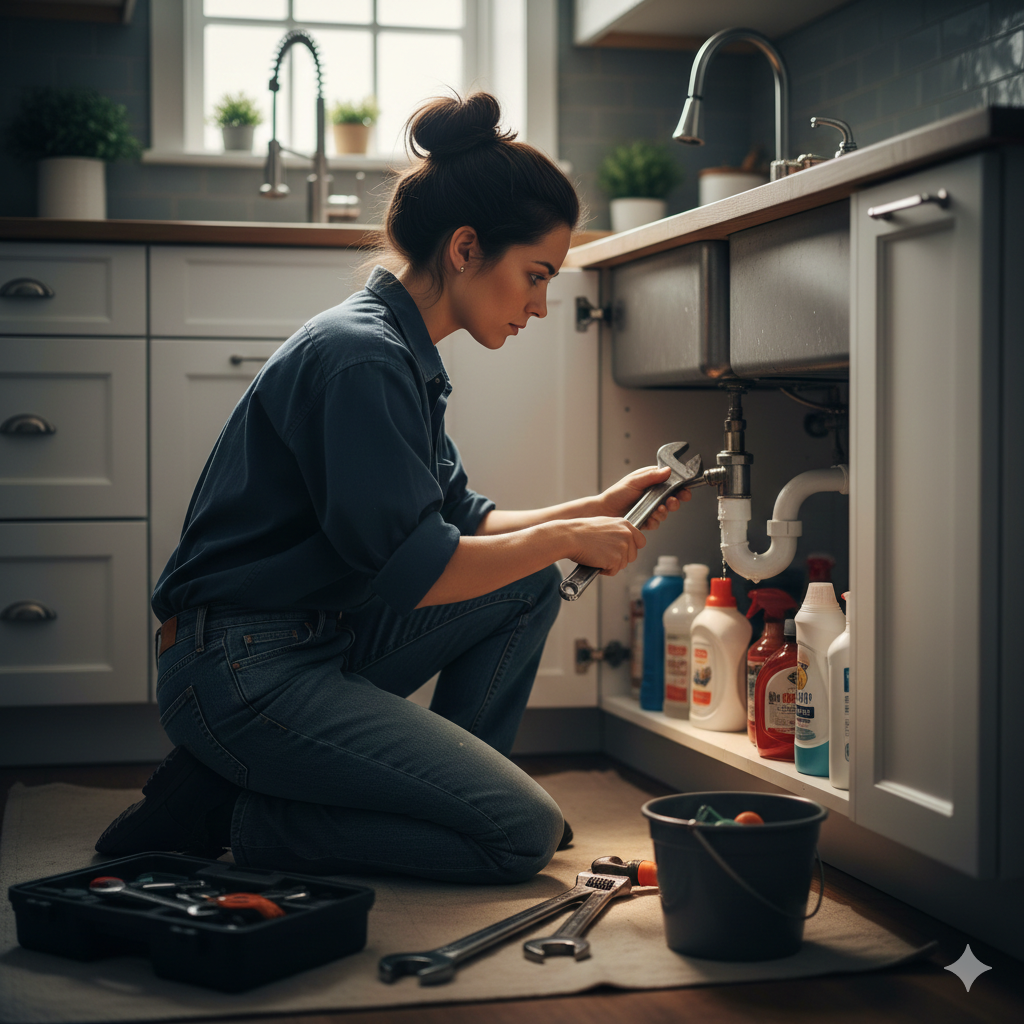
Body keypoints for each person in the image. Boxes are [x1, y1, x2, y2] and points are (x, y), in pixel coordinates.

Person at [96, 93, 685, 884]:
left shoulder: (396, 348)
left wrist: (596, 507)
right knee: (517, 838)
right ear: (467, 248)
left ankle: (452, 795)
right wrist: (564, 540)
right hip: (239, 670)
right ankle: (229, 813)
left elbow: (458, 522)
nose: (543, 305)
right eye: (536, 276)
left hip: (309, 639)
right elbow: (423, 571)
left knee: (527, 586)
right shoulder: (363, 358)